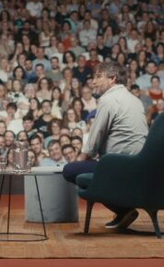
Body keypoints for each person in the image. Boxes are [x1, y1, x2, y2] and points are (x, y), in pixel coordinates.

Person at [62, 61, 149, 231]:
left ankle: (124, 210)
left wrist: (79, 160)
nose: (93, 81)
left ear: (112, 79)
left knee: (70, 170)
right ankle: (124, 210)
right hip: (140, 164)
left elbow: (94, 140)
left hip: (119, 166)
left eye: (98, 77)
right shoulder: (135, 100)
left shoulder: (108, 99)